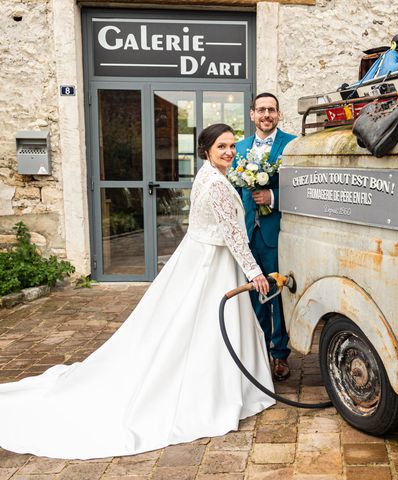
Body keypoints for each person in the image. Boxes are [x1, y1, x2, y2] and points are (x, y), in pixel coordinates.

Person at [0, 124, 275, 460]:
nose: (229, 152)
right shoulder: (217, 184)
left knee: (187, 323)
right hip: (211, 263)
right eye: (222, 147)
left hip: (199, 255)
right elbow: (233, 236)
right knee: (203, 326)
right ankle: (214, 390)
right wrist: (255, 272)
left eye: (232, 146)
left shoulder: (207, 174)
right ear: (206, 150)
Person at [234, 93, 296, 381]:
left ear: (279, 115)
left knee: (277, 293)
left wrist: (272, 195)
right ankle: (258, 352)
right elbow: (234, 193)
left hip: (277, 232)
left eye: (271, 110)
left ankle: (280, 355)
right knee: (253, 294)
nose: (266, 115)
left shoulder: (292, 145)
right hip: (248, 233)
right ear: (252, 115)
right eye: (261, 110)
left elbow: (302, 187)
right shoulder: (240, 147)